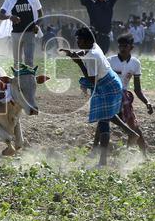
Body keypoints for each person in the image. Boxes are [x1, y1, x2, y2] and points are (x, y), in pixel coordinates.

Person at [59, 27, 139, 167]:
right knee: (106, 115)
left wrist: (78, 62)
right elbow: (85, 52)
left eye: (79, 40)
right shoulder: (94, 47)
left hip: (106, 85)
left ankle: (103, 161)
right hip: (111, 81)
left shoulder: (92, 57)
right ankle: (130, 134)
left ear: (87, 40)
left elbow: (91, 81)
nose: (77, 42)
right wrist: (76, 54)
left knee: (103, 122)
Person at [107, 34, 153, 153]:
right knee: (103, 123)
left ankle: (143, 154)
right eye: (120, 46)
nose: (122, 48)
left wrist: (147, 102)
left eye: (125, 46)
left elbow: (137, 89)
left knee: (133, 125)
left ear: (131, 47)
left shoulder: (135, 63)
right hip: (110, 95)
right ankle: (97, 151)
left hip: (124, 98)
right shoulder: (110, 61)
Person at [0, 0, 43, 66]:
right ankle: (17, 79)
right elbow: (0, 15)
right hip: (16, 34)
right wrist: (10, 17)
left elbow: (40, 13)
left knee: (29, 60)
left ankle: (29, 80)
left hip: (30, 32)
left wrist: (37, 25)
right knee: (17, 61)